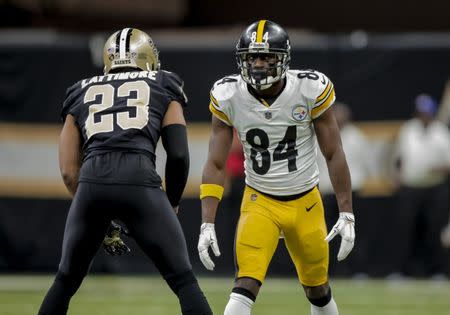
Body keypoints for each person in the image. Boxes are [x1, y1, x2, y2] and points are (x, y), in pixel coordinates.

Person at [37, 28, 212, 315]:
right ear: (148, 58)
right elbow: (178, 154)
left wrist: (93, 209)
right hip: (139, 178)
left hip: (91, 182)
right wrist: (172, 203)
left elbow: (69, 171)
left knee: (65, 280)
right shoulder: (163, 83)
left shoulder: (80, 90)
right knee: (183, 280)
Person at [197, 20, 355, 315]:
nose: (258, 64)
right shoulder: (228, 95)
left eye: (266, 57)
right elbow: (216, 163)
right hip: (260, 201)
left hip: (305, 201)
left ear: (283, 59)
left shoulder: (309, 89)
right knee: (244, 285)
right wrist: (207, 221)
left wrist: (346, 211)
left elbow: (333, 152)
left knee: (318, 289)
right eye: (252, 57)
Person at [391, 93, 450, 278]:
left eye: (426, 112)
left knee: (434, 230)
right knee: (405, 230)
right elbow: (399, 157)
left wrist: (434, 169)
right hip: (410, 188)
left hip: (434, 188)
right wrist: (397, 176)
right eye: (420, 112)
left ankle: (437, 272)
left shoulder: (441, 132)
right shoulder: (408, 129)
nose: (423, 115)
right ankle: (402, 272)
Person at [316, 102, 371, 276]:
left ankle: (356, 271)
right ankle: (328, 270)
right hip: (326, 191)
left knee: (353, 232)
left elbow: (366, 163)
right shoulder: (320, 134)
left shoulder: (357, 136)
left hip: (352, 191)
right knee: (326, 232)